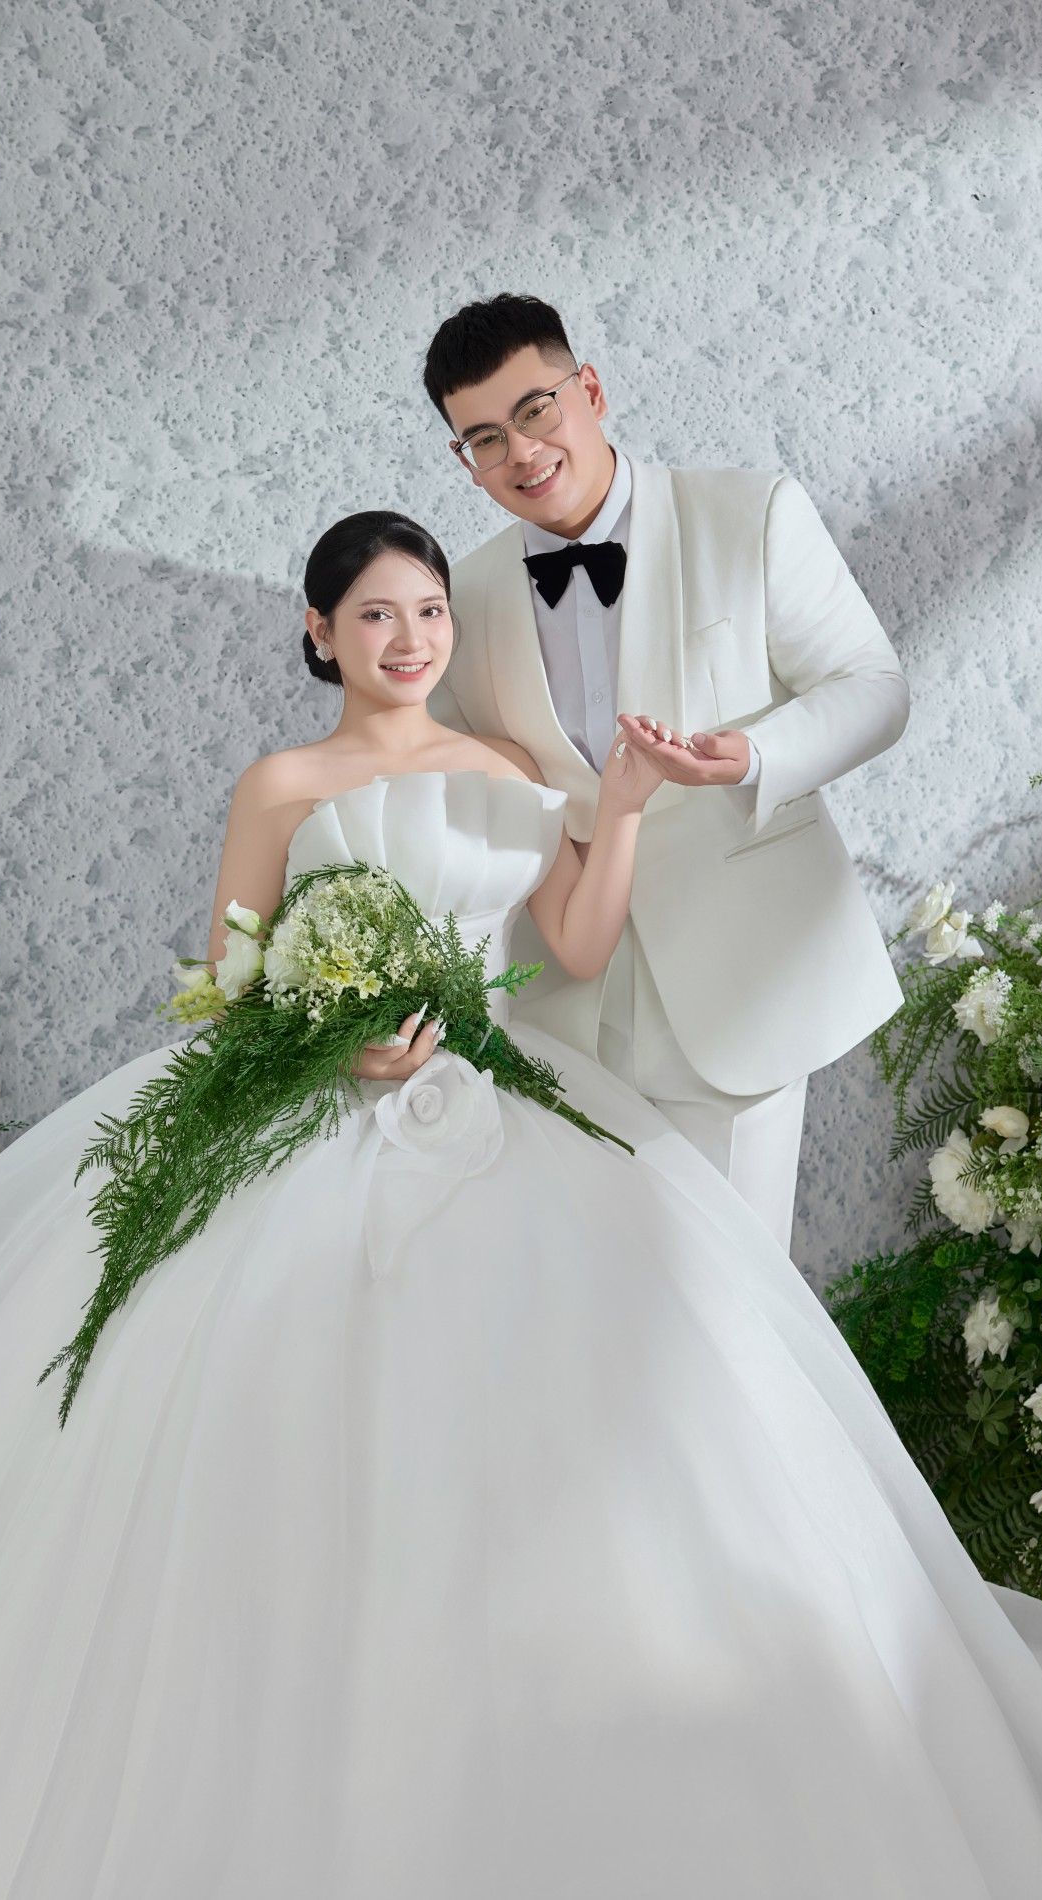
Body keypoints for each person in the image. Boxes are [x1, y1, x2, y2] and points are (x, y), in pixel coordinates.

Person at [0, 512, 1042, 1900]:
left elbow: (578, 943)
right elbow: (224, 986)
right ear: (319, 632)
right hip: (314, 1120)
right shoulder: (282, 784)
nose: (411, 638)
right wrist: (328, 1034)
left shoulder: (503, 770)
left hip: (505, 1109)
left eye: (429, 611)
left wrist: (617, 808)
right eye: (376, 615)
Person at [423, 291, 909, 1254]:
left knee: (737, 1297)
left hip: (743, 980)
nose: (521, 452)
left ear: (590, 390)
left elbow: (873, 688)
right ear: (464, 459)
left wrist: (755, 756)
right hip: (560, 1015)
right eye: (484, 439)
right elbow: (451, 794)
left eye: (535, 410)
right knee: (599, 1299)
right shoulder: (456, 600)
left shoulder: (747, 512)